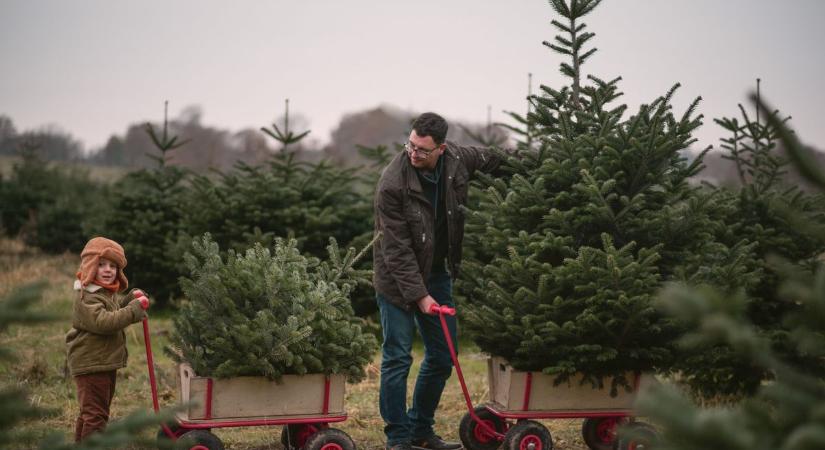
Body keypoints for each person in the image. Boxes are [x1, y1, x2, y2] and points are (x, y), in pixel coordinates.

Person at [373, 112, 506, 450]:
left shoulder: (458, 160)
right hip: (397, 279)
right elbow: (396, 251)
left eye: (421, 150)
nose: (413, 154)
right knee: (398, 356)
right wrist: (421, 297)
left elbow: (497, 159)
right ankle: (398, 438)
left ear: (441, 149)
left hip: (437, 274)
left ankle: (420, 430)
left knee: (443, 356)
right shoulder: (392, 182)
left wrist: (550, 162)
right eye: (411, 145)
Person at [65, 236, 150, 442]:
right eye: (101, 264)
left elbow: (113, 312)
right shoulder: (87, 296)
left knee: (91, 414)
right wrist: (132, 312)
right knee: (96, 416)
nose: (107, 270)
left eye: (113, 266)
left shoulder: (103, 293)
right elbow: (103, 322)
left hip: (102, 363)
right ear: (90, 266)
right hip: (91, 364)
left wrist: (129, 301)